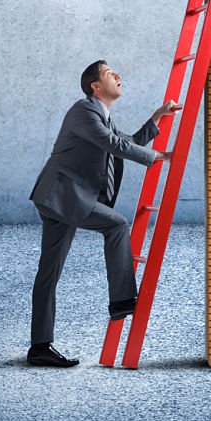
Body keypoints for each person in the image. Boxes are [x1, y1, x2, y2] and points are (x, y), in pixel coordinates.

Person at [26, 60, 180, 367]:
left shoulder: (101, 116)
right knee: (117, 225)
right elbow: (112, 144)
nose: (118, 75)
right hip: (63, 197)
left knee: (48, 273)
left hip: (61, 198)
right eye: (111, 73)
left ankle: (39, 347)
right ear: (96, 86)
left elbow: (126, 143)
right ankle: (121, 300)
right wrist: (161, 156)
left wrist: (155, 119)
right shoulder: (83, 111)